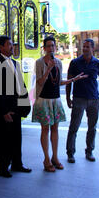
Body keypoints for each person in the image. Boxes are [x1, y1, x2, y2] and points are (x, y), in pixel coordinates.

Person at [32, 36, 87, 172]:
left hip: (55, 99)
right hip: (43, 99)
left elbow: (58, 82)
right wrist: (48, 69)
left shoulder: (58, 63)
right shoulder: (39, 63)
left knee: (55, 129)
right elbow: (39, 82)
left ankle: (55, 157)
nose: (51, 48)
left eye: (53, 46)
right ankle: (46, 159)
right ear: (44, 48)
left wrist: (73, 79)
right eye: (48, 46)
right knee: (45, 129)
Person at [0, 36, 32, 178]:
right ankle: (3, 167)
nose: (12, 47)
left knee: (16, 137)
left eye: (12, 44)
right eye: (9, 45)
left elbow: (21, 85)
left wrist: (25, 105)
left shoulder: (14, 63)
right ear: (1, 47)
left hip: (16, 108)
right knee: (3, 140)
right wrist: (3, 111)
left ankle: (17, 164)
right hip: (4, 110)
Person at [66, 38, 99, 163]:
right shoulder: (74, 62)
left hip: (94, 99)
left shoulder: (98, 63)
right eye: (83, 46)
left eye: (87, 47)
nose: (85, 49)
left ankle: (89, 151)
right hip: (78, 99)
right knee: (74, 126)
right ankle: (70, 152)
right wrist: (68, 97)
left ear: (93, 48)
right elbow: (69, 82)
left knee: (92, 127)